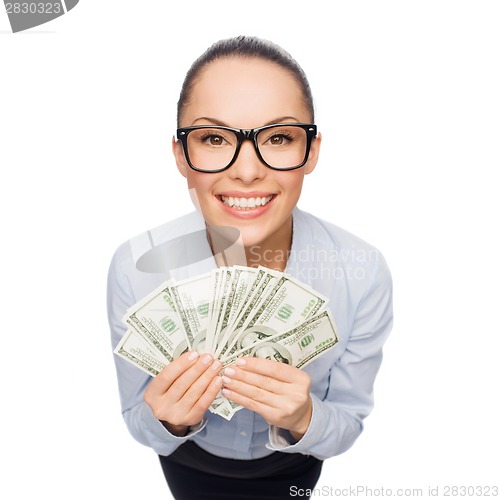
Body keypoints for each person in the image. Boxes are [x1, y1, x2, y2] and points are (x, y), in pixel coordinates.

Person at [107, 35, 393, 500]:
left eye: (278, 138)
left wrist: (303, 418)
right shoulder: (136, 267)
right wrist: (170, 419)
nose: (245, 171)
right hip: (187, 462)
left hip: (293, 467)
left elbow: (347, 425)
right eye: (214, 138)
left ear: (312, 150)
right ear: (181, 154)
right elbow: (138, 423)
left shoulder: (361, 272)